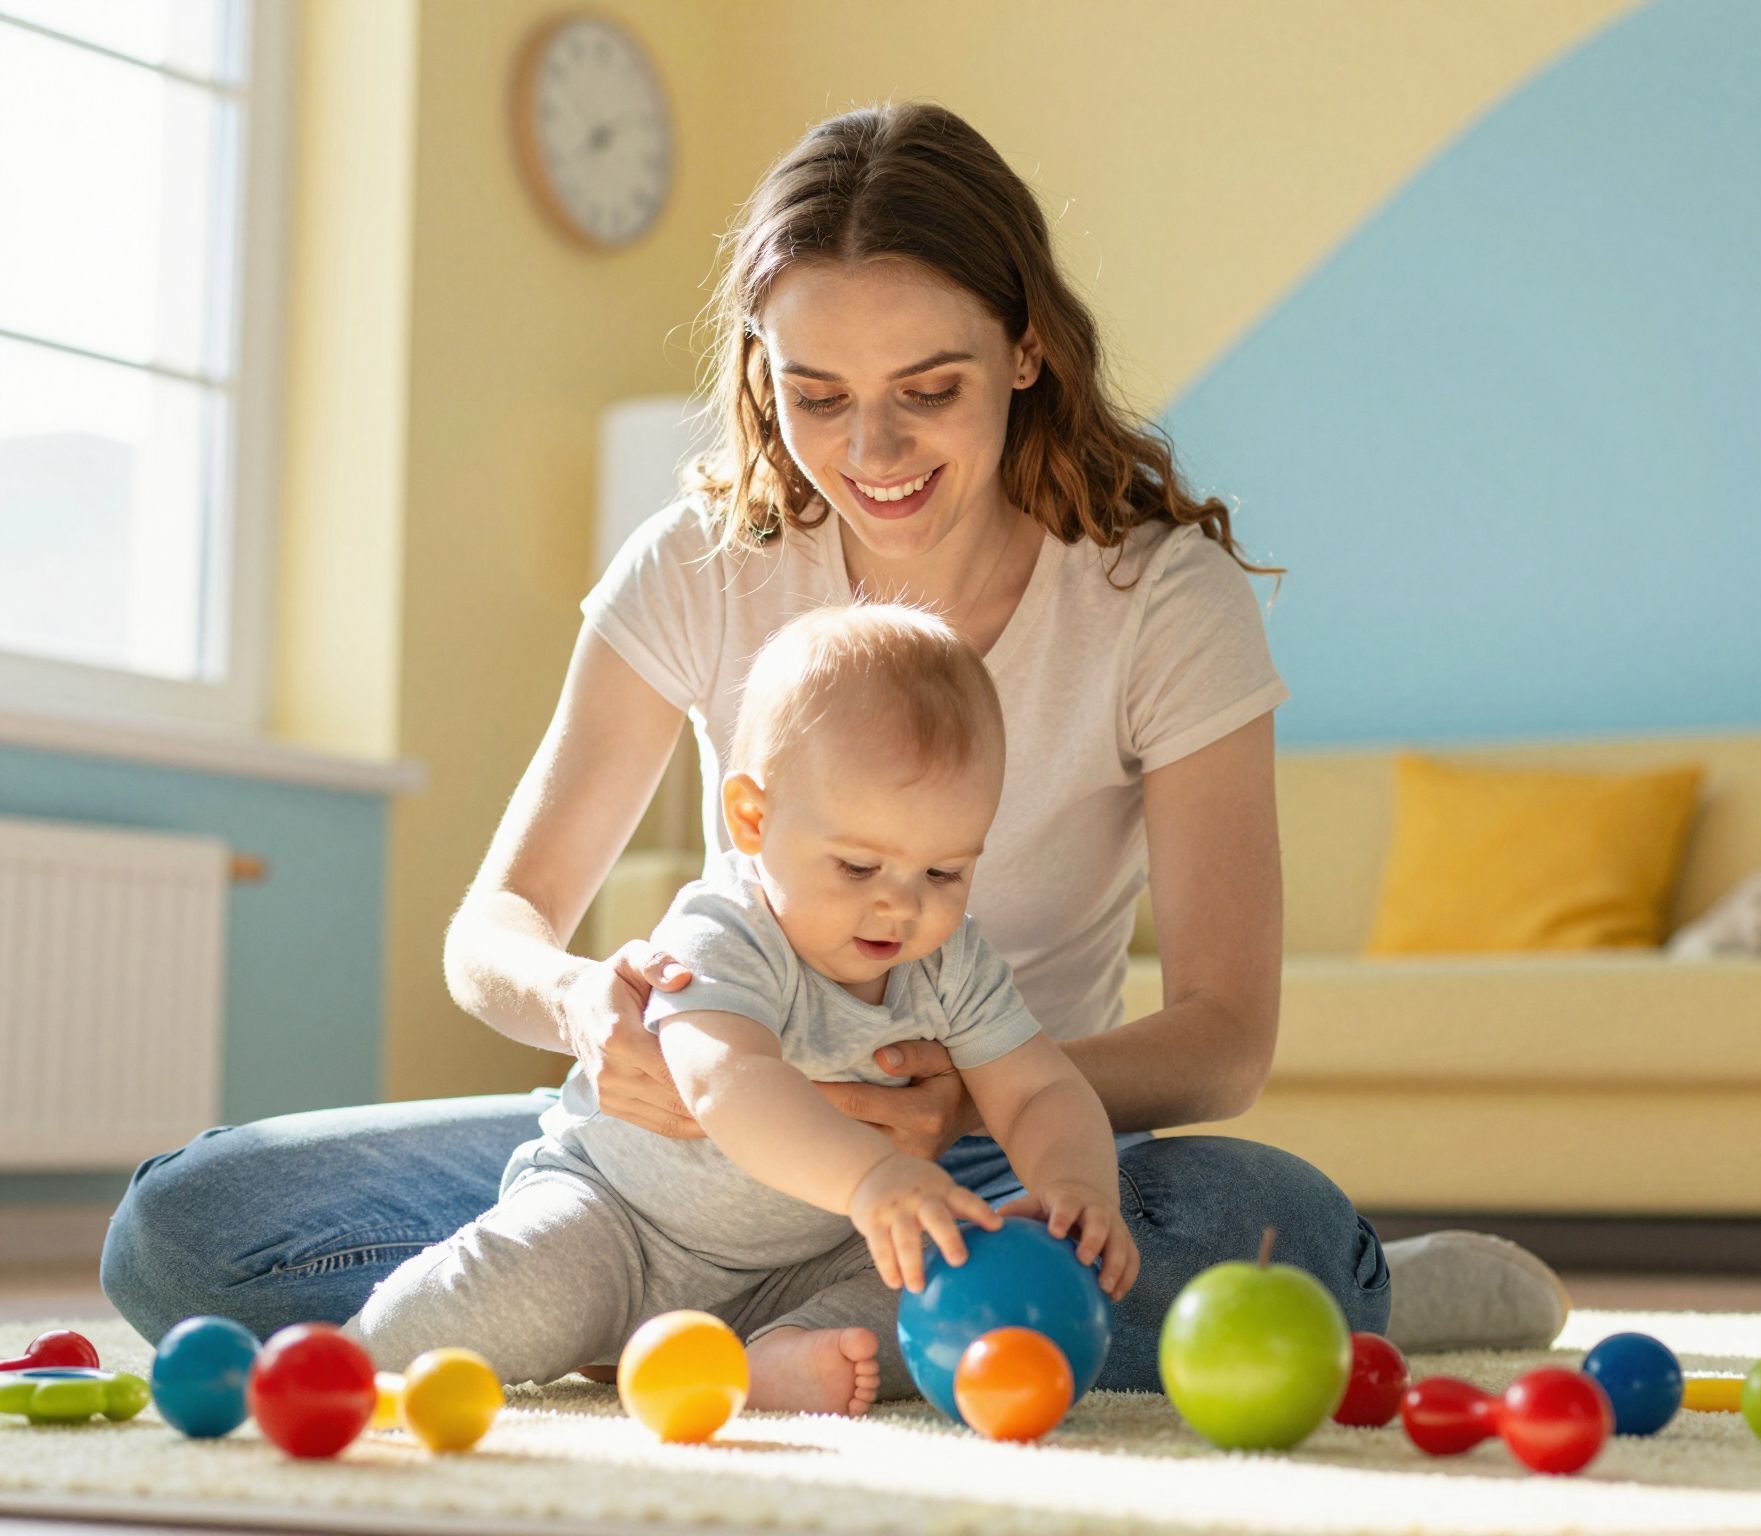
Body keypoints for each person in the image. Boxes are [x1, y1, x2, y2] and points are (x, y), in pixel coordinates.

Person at [100, 100, 1569, 1406]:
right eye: (815, 395)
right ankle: (706, 1320)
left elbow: (1226, 1033)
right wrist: (588, 1019)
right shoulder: (703, 562)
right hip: (669, 1148)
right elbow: (493, 928)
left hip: (984, 1151)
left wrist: (968, 1101)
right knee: (182, 1229)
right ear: (762, 369)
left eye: (928, 387)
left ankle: (1350, 1284)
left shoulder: (1152, 597)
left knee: (1272, 1220)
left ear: (1026, 347)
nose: (871, 449)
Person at [337, 604, 1137, 1415]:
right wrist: (873, 1178)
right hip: (620, 1224)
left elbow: (1037, 1089)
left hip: (814, 1258)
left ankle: (765, 1365)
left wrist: (1078, 1188)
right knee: (511, 1297)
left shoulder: (951, 960)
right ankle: (352, 1356)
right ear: (752, 818)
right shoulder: (724, 928)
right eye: (859, 867)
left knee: (947, 1298)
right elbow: (730, 1082)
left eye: (944, 874)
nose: (901, 909)